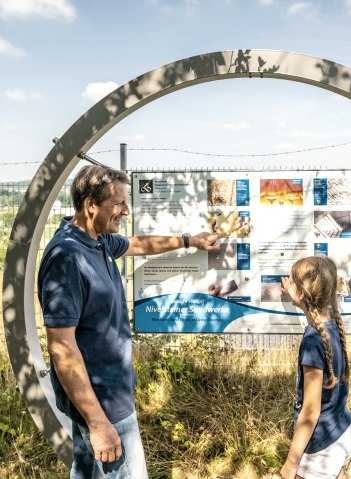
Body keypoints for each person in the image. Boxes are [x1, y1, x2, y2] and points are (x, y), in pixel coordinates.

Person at [38, 165, 225, 478]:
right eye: (119, 204)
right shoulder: (67, 258)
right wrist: (98, 423)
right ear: (90, 205)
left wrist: (189, 240)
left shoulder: (97, 242)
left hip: (106, 394)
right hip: (103, 403)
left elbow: (138, 244)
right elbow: (62, 348)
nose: (126, 210)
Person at [280, 256, 351, 479]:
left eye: (291, 281)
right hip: (342, 430)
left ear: (301, 294)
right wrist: (295, 289)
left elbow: (311, 410)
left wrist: (292, 462)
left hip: (322, 445)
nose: (287, 284)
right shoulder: (331, 326)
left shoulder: (313, 342)